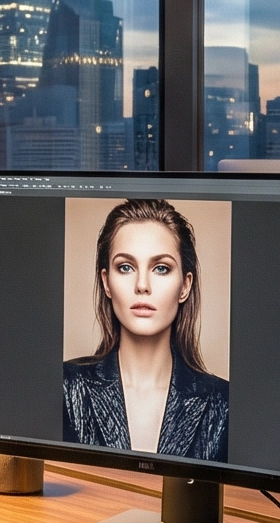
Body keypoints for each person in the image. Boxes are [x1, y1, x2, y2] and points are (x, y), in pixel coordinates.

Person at [63, 197, 228, 462]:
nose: (142, 285)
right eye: (125, 267)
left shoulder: (224, 402)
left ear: (185, 286)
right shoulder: (65, 386)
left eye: (161, 268)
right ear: (106, 282)